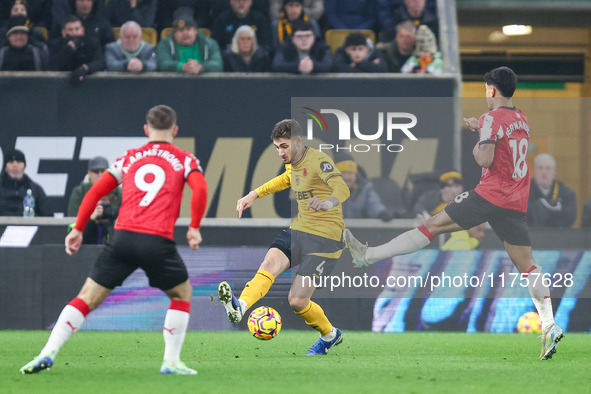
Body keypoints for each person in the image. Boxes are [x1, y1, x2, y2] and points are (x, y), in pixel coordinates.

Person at [343, 67, 565, 361]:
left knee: (431, 226)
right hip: (515, 201)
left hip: (490, 194)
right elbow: (504, 142)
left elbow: (484, 156)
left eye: (486, 89)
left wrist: (480, 137)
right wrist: (481, 129)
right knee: (528, 266)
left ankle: (368, 256)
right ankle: (549, 324)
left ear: (492, 90)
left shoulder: (491, 118)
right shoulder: (521, 117)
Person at [20, 105, 208, 375]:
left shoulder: (129, 158)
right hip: (156, 240)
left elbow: (94, 191)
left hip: (123, 238)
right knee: (181, 293)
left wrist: (77, 228)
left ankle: (47, 352)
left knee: (87, 297)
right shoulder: (185, 159)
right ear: (175, 130)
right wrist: (194, 227)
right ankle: (171, 362)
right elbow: (200, 187)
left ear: (146, 130)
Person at [217, 119, 350, 355]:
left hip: (326, 239)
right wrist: (254, 194)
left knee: (297, 301)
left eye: (284, 146)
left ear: (298, 141)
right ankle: (241, 307)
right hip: (300, 230)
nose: (280, 152)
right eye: (277, 147)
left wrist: (327, 202)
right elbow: (285, 179)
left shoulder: (319, 160)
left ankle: (330, 335)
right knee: (270, 262)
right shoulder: (292, 164)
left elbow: (342, 188)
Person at [67, 156, 122, 244]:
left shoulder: (119, 192)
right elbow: (73, 217)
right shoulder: (80, 192)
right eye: (96, 172)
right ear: (89, 172)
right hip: (87, 236)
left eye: (103, 171)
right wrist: (90, 217)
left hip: (114, 233)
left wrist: (109, 212)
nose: (100, 174)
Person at [156, 10, 223, 74]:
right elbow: (163, 63)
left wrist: (201, 67)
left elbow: (217, 64)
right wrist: (182, 67)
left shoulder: (210, 43)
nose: (185, 33)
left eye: (188, 29)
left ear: (196, 31)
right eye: (180, 30)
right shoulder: (165, 43)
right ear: (174, 34)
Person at [48, 15, 105, 86]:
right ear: (63, 33)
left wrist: (85, 68)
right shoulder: (55, 45)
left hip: (89, 86)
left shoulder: (92, 43)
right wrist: (68, 49)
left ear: (82, 30)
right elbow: (51, 65)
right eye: (70, 30)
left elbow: (100, 62)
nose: (74, 33)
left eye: (77, 29)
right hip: (60, 86)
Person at [335, 154, 392, 220]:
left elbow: (373, 203)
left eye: (350, 173)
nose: (346, 177)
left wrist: (381, 213)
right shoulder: (326, 189)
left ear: (356, 175)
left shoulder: (365, 188)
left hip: (357, 230)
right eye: (343, 173)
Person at [527, 153, 577, 228]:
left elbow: (570, 217)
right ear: (534, 170)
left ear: (554, 171)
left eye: (548, 168)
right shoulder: (524, 191)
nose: (544, 172)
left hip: (558, 236)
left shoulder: (566, 193)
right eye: (540, 168)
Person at [0, 149, 52, 216]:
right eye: (11, 162)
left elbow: (48, 215)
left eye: (18, 162)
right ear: (5, 167)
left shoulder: (35, 189)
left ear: (24, 166)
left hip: (28, 225)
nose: (15, 165)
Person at [49, 0, 114, 48]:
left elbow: (109, 49)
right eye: (81, 0)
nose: (85, 4)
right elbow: (53, 45)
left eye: (89, 1)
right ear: (74, 2)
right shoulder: (63, 22)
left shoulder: (103, 24)